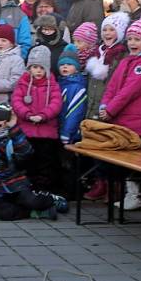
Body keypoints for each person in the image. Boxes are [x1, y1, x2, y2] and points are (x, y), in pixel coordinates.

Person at [99, 14, 141, 209]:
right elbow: (113, 85)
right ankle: (127, 193)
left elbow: (130, 90)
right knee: (122, 160)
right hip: (120, 118)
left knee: (134, 159)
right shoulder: (126, 61)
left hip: (136, 120)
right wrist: (104, 106)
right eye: (131, 39)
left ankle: (136, 194)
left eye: (138, 39)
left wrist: (111, 109)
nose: (133, 43)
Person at [0, 104, 65, 221]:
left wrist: (14, 127)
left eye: (3, 118)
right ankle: (34, 213)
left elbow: (27, 152)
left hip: (14, 184)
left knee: (33, 201)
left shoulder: (13, 136)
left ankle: (52, 200)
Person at [81, 12, 130, 201]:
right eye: (105, 30)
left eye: (112, 29)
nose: (107, 33)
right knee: (96, 144)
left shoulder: (120, 54)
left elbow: (117, 84)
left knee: (109, 145)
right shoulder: (96, 52)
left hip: (109, 106)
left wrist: (109, 105)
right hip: (93, 104)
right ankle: (100, 182)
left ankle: (113, 185)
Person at [11, 46, 63, 193]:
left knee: (45, 164)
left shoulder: (53, 85)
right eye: (34, 67)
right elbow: (16, 101)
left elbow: (56, 103)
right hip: (26, 132)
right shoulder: (22, 83)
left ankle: (44, 191)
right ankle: (27, 190)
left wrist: (43, 115)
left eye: (41, 67)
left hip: (46, 133)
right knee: (27, 163)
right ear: (29, 68)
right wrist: (27, 114)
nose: (38, 71)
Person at [57, 46, 87, 200]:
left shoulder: (77, 86)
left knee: (70, 164)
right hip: (60, 130)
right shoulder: (60, 84)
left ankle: (73, 192)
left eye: (68, 64)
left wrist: (66, 133)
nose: (65, 67)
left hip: (70, 134)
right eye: (62, 64)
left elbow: (75, 112)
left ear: (76, 67)